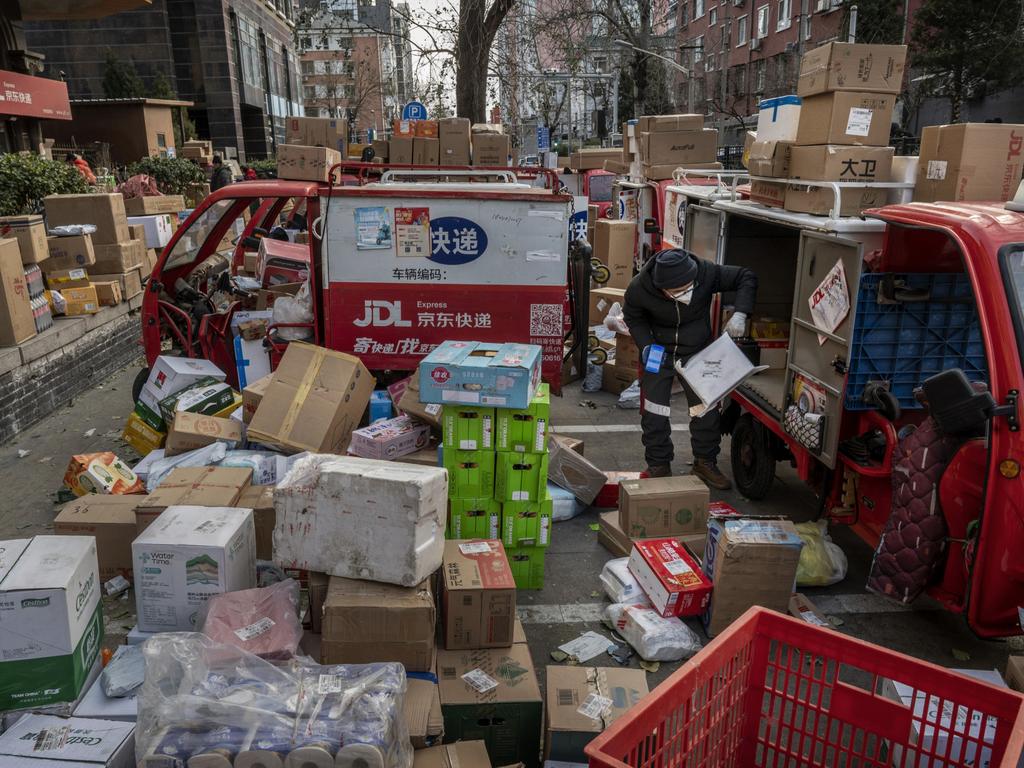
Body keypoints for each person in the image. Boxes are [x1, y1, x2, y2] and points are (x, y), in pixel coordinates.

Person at [623, 248, 757, 489]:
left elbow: (746, 276)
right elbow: (633, 317)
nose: (683, 294)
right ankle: (659, 464)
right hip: (658, 351)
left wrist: (740, 314)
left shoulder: (706, 272)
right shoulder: (639, 287)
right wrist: (646, 345)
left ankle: (705, 462)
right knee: (654, 411)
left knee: (705, 409)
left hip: (697, 350)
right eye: (676, 292)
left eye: (687, 288)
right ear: (660, 287)